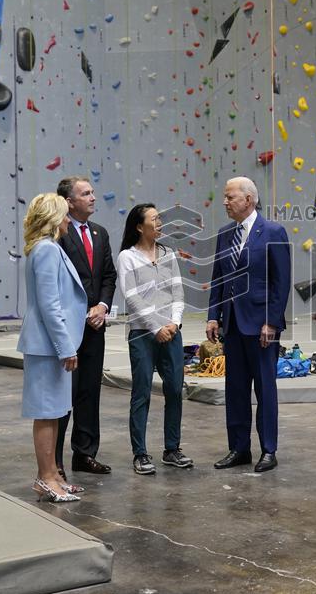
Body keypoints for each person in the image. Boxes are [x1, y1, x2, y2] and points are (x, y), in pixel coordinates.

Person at [206, 177, 291, 473]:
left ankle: (269, 449)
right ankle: (239, 448)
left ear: (249, 200)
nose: (226, 202)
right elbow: (218, 278)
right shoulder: (224, 233)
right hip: (232, 325)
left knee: (265, 389)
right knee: (236, 390)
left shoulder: (273, 232)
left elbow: (281, 283)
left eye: (231, 197)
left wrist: (272, 322)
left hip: (260, 327)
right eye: (225, 198)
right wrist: (213, 315)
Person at [17, 193, 88, 503]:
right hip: (47, 346)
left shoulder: (47, 248)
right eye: (64, 215)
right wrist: (65, 347)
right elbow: (49, 305)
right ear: (53, 218)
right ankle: (45, 477)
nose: (68, 220)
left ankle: (53, 474)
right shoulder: (46, 250)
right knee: (47, 414)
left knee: (56, 412)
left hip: (50, 345)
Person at [117, 203, 192, 476]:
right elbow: (131, 296)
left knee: (174, 389)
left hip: (171, 332)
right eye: (155, 219)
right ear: (139, 226)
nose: (160, 223)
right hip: (142, 334)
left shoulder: (168, 254)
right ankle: (140, 453)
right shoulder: (128, 257)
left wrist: (174, 322)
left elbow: (178, 292)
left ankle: (172, 449)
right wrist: (155, 327)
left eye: (160, 218)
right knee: (142, 393)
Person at [55, 176, 117, 479]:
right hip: (68, 328)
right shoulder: (58, 234)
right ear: (69, 201)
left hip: (95, 327)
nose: (93, 197)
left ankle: (85, 453)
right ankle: (54, 462)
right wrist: (81, 312)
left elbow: (108, 276)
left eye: (93, 192)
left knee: (90, 392)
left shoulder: (100, 233)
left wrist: (102, 307)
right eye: (86, 194)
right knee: (65, 394)